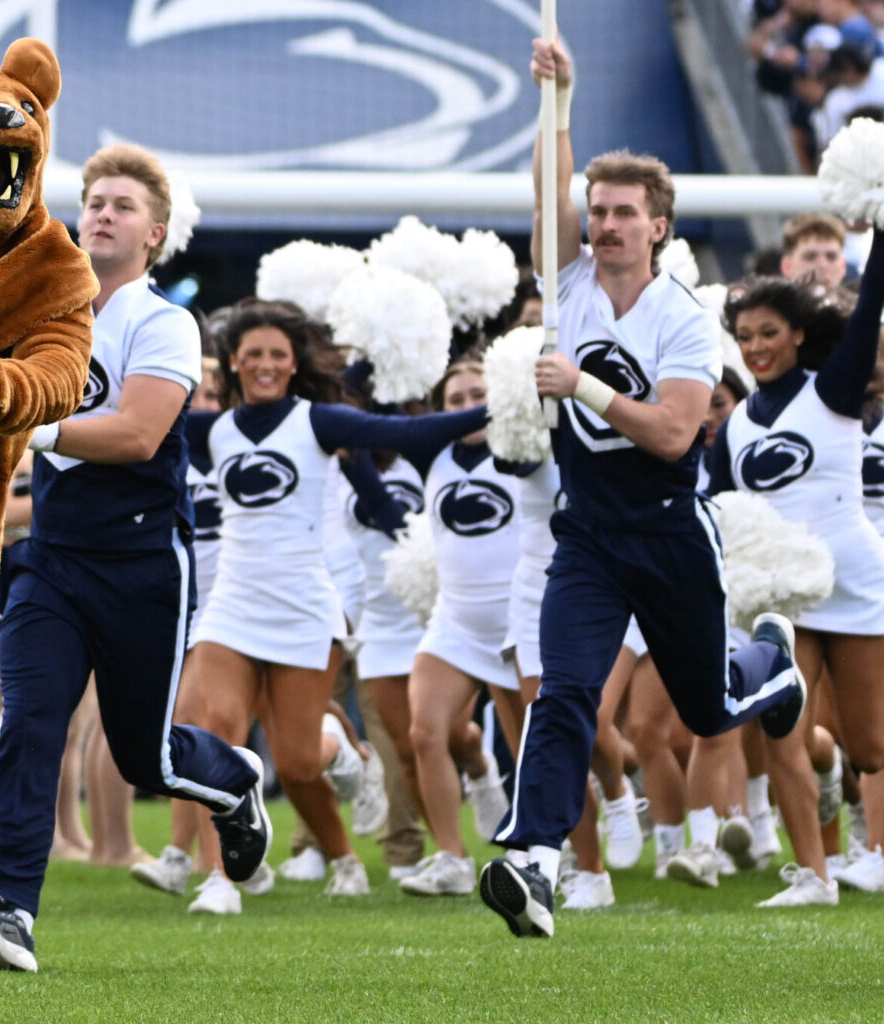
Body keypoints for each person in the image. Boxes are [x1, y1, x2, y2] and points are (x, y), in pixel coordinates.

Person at [484, 40, 807, 938]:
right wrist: (562, 100)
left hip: (668, 533)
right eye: (600, 212)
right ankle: (537, 863)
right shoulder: (569, 280)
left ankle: (769, 668)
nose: (607, 225)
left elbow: (673, 432)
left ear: (660, 225)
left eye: (626, 213)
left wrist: (580, 386)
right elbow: (546, 194)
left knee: (707, 707)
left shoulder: (687, 319)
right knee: (565, 697)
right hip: (587, 537)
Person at [0, 145, 271, 972]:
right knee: (31, 726)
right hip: (52, 558)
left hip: (140, 562)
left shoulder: (162, 322)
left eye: (123, 205)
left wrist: (25, 424)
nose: (103, 213)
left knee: (145, 757)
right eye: (94, 200)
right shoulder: (43, 316)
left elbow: (136, 433)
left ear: (155, 232)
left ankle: (231, 778)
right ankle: (7, 907)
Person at [173, 299, 489, 900]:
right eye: (254, 355)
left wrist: (500, 410)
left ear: (294, 363)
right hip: (232, 603)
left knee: (296, 764)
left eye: (277, 355)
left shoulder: (319, 420)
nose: (265, 365)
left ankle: (342, 772)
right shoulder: (209, 429)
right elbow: (130, 428)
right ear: (234, 362)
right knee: (217, 734)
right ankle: (220, 878)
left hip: (302, 605)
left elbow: (407, 432)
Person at [706, 251, 884, 905]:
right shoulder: (734, 428)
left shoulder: (833, 388)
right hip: (783, 594)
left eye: (768, 333)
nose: (755, 348)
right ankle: (813, 874)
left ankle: (878, 848)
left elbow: (868, 312)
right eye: (745, 336)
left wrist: (880, 229)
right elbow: (720, 509)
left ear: (799, 334)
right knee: (783, 725)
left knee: (869, 743)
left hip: (855, 579)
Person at [399, 361, 523, 897]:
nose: (470, 406)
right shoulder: (435, 452)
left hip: (522, 617)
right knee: (425, 732)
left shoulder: (527, 448)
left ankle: (548, 843)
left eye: (481, 394)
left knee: (541, 743)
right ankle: (450, 857)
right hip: (457, 619)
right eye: (456, 399)